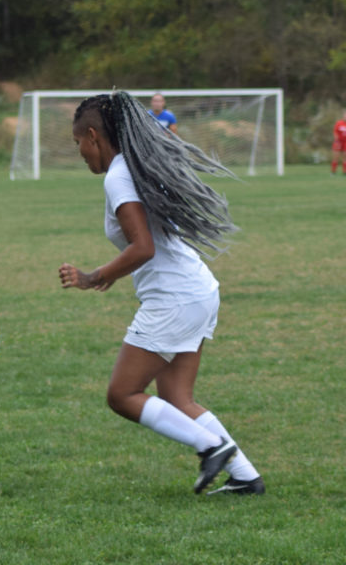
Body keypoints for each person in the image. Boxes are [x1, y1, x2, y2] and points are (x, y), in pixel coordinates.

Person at [58, 91, 264, 495]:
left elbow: (143, 247)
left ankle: (211, 447)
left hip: (175, 299)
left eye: (78, 141)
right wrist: (116, 274)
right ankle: (245, 477)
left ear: (94, 135)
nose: (80, 151)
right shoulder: (134, 167)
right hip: (197, 290)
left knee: (121, 394)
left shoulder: (119, 175)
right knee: (176, 397)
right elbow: (147, 244)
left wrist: (92, 276)